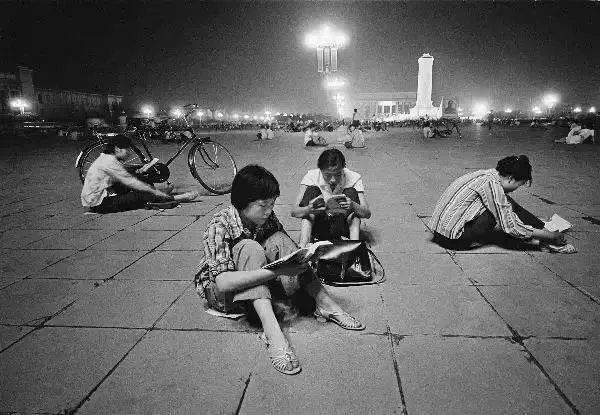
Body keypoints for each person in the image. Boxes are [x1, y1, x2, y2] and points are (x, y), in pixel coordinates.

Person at [196, 165, 364, 375]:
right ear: (242, 202)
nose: (269, 210)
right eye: (263, 205)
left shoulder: (265, 217)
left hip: (257, 281)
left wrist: (307, 256)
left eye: (272, 204)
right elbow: (223, 283)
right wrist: (278, 272)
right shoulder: (219, 225)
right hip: (224, 294)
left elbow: (284, 247)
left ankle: (325, 303)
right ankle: (272, 332)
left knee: (279, 238)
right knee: (249, 247)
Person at [429, 155, 576, 253]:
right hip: (454, 240)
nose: (517, 188)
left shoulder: (485, 174)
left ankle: (542, 227)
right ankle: (546, 235)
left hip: (439, 233)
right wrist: (549, 236)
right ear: (511, 178)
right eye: (520, 184)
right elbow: (510, 227)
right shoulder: (492, 185)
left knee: (505, 203)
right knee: (505, 210)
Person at [81, 135, 197, 213]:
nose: (129, 153)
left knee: (141, 179)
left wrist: (140, 172)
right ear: (117, 149)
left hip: (105, 194)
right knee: (142, 194)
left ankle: (158, 196)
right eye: (127, 149)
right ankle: (176, 198)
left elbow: (119, 183)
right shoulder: (110, 162)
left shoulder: (107, 158)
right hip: (100, 204)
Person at [291, 149, 371, 247]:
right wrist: (309, 209)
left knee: (351, 192)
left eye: (338, 174)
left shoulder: (354, 178)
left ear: (344, 167)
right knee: (312, 190)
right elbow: (294, 212)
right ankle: (303, 244)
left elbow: (367, 213)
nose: (333, 180)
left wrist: (353, 205)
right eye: (327, 175)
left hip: (342, 226)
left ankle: (354, 245)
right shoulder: (311, 176)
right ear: (320, 170)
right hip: (320, 225)